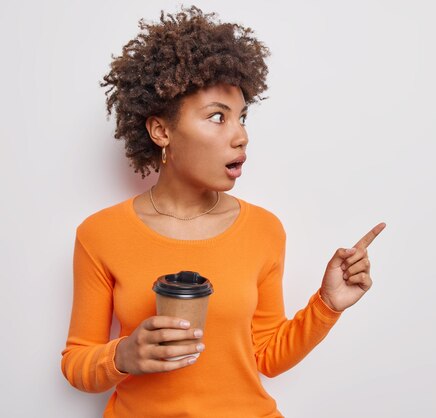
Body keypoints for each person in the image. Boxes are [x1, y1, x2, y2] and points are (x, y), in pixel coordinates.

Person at [61, 6, 385, 418]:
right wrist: (122, 356)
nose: (241, 135)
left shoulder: (264, 230)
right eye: (218, 117)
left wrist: (328, 304)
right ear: (161, 131)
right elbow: (76, 362)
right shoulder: (101, 234)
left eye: (242, 117)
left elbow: (266, 355)